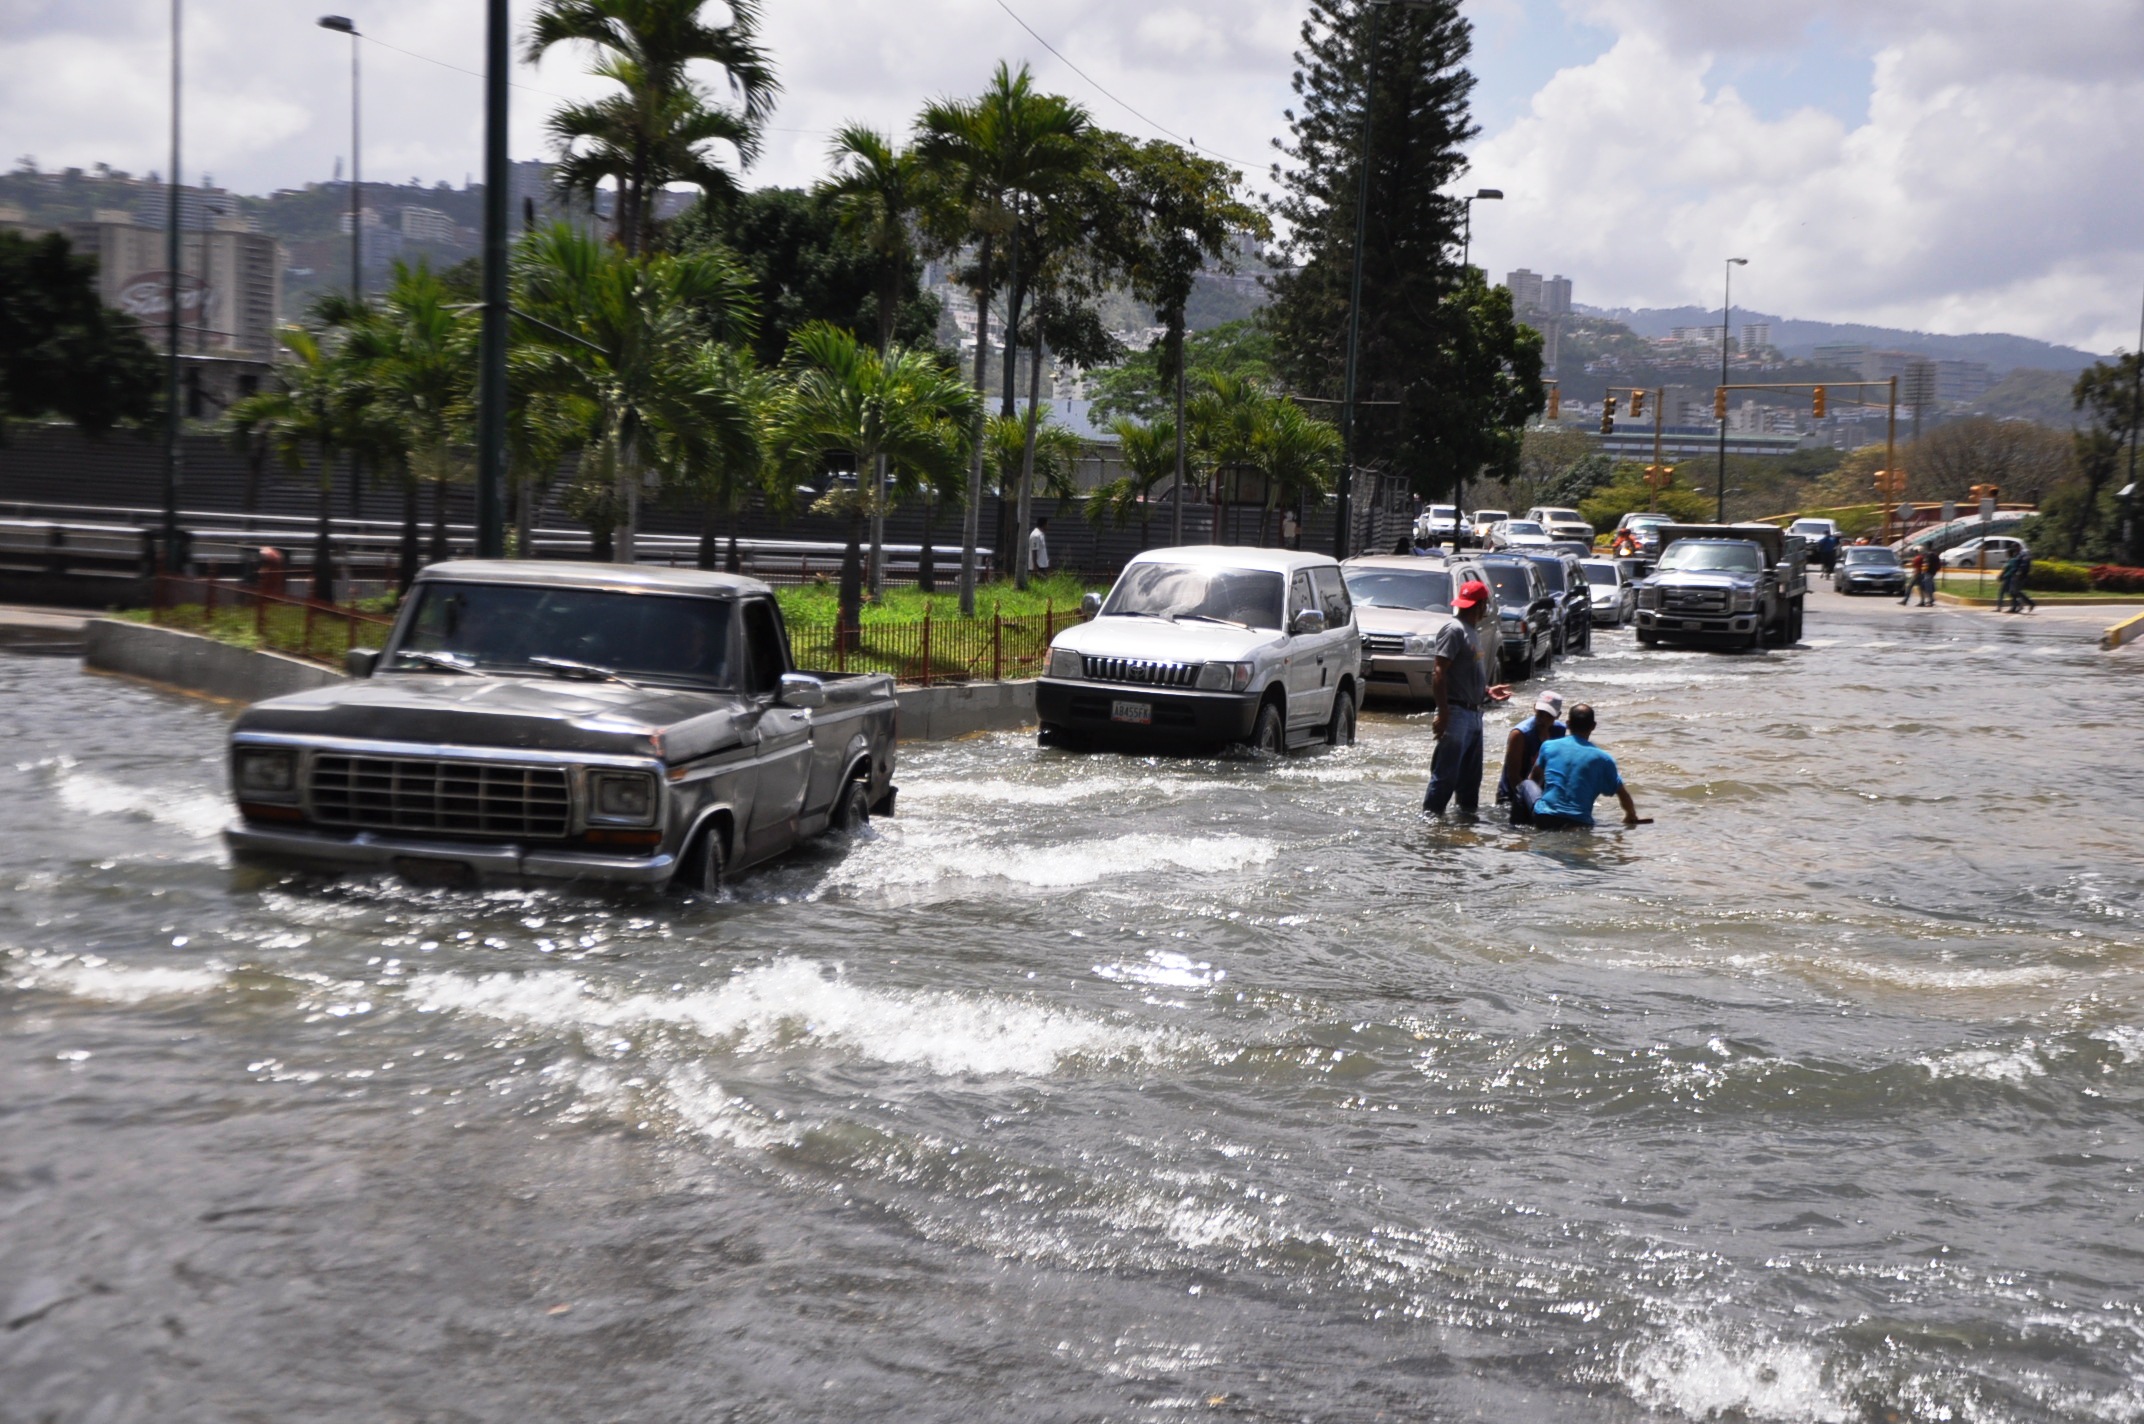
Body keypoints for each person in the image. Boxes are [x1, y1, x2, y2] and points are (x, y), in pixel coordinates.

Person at [1422, 578, 1512, 816]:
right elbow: (1439, 672)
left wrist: (1486, 691)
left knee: (1471, 781)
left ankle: (1464, 834)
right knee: (1445, 778)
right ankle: (1431, 825)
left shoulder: (1471, 631)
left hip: (1474, 713)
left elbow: (1462, 673)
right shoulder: (1454, 629)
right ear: (1482, 605)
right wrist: (1443, 714)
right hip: (1456, 713)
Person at [1511, 702, 1641, 830]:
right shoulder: (1604, 759)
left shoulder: (1548, 746)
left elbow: (1534, 779)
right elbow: (1623, 794)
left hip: (1546, 817)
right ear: (1593, 726)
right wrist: (1631, 815)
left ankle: (1519, 832)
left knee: (1525, 785)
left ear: (1567, 724)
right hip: (1581, 822)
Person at [1498, 690, 1566, 822]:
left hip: (1541, 793)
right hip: (1513, 795)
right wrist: (1532, 802)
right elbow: (1513, 777)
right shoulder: (1520, 734)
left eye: (1549, 715)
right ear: (1534, 707)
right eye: (1540, 713)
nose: (1543, 719)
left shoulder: (1559, 731)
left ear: (1557, 715)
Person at [2001, 549, 2037, 614]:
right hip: (2016, 576)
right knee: (2013, 592)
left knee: (2015, 591)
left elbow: (2021, 567)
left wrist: (2018, 573)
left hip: (2018, 576)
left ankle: (2030, 603)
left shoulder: (2023, 556)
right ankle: (2015, 607)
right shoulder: (2021, 556)